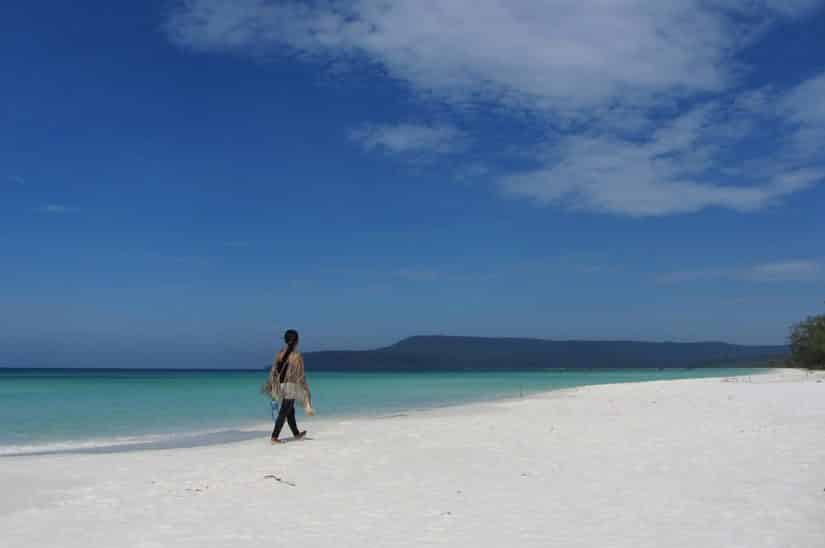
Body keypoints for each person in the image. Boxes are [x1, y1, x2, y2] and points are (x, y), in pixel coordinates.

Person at [267, 329, 314, 444]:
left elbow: (273, 371)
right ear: (297, 341)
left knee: (290, 411)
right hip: (290, 387)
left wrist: (271, 385)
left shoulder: (280, 353)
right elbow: (301, 376)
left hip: (281, 386)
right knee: (284, 412)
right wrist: (306, 390)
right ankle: (274, 437)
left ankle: (296, 434)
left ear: (285, 341)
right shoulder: (297, 356)